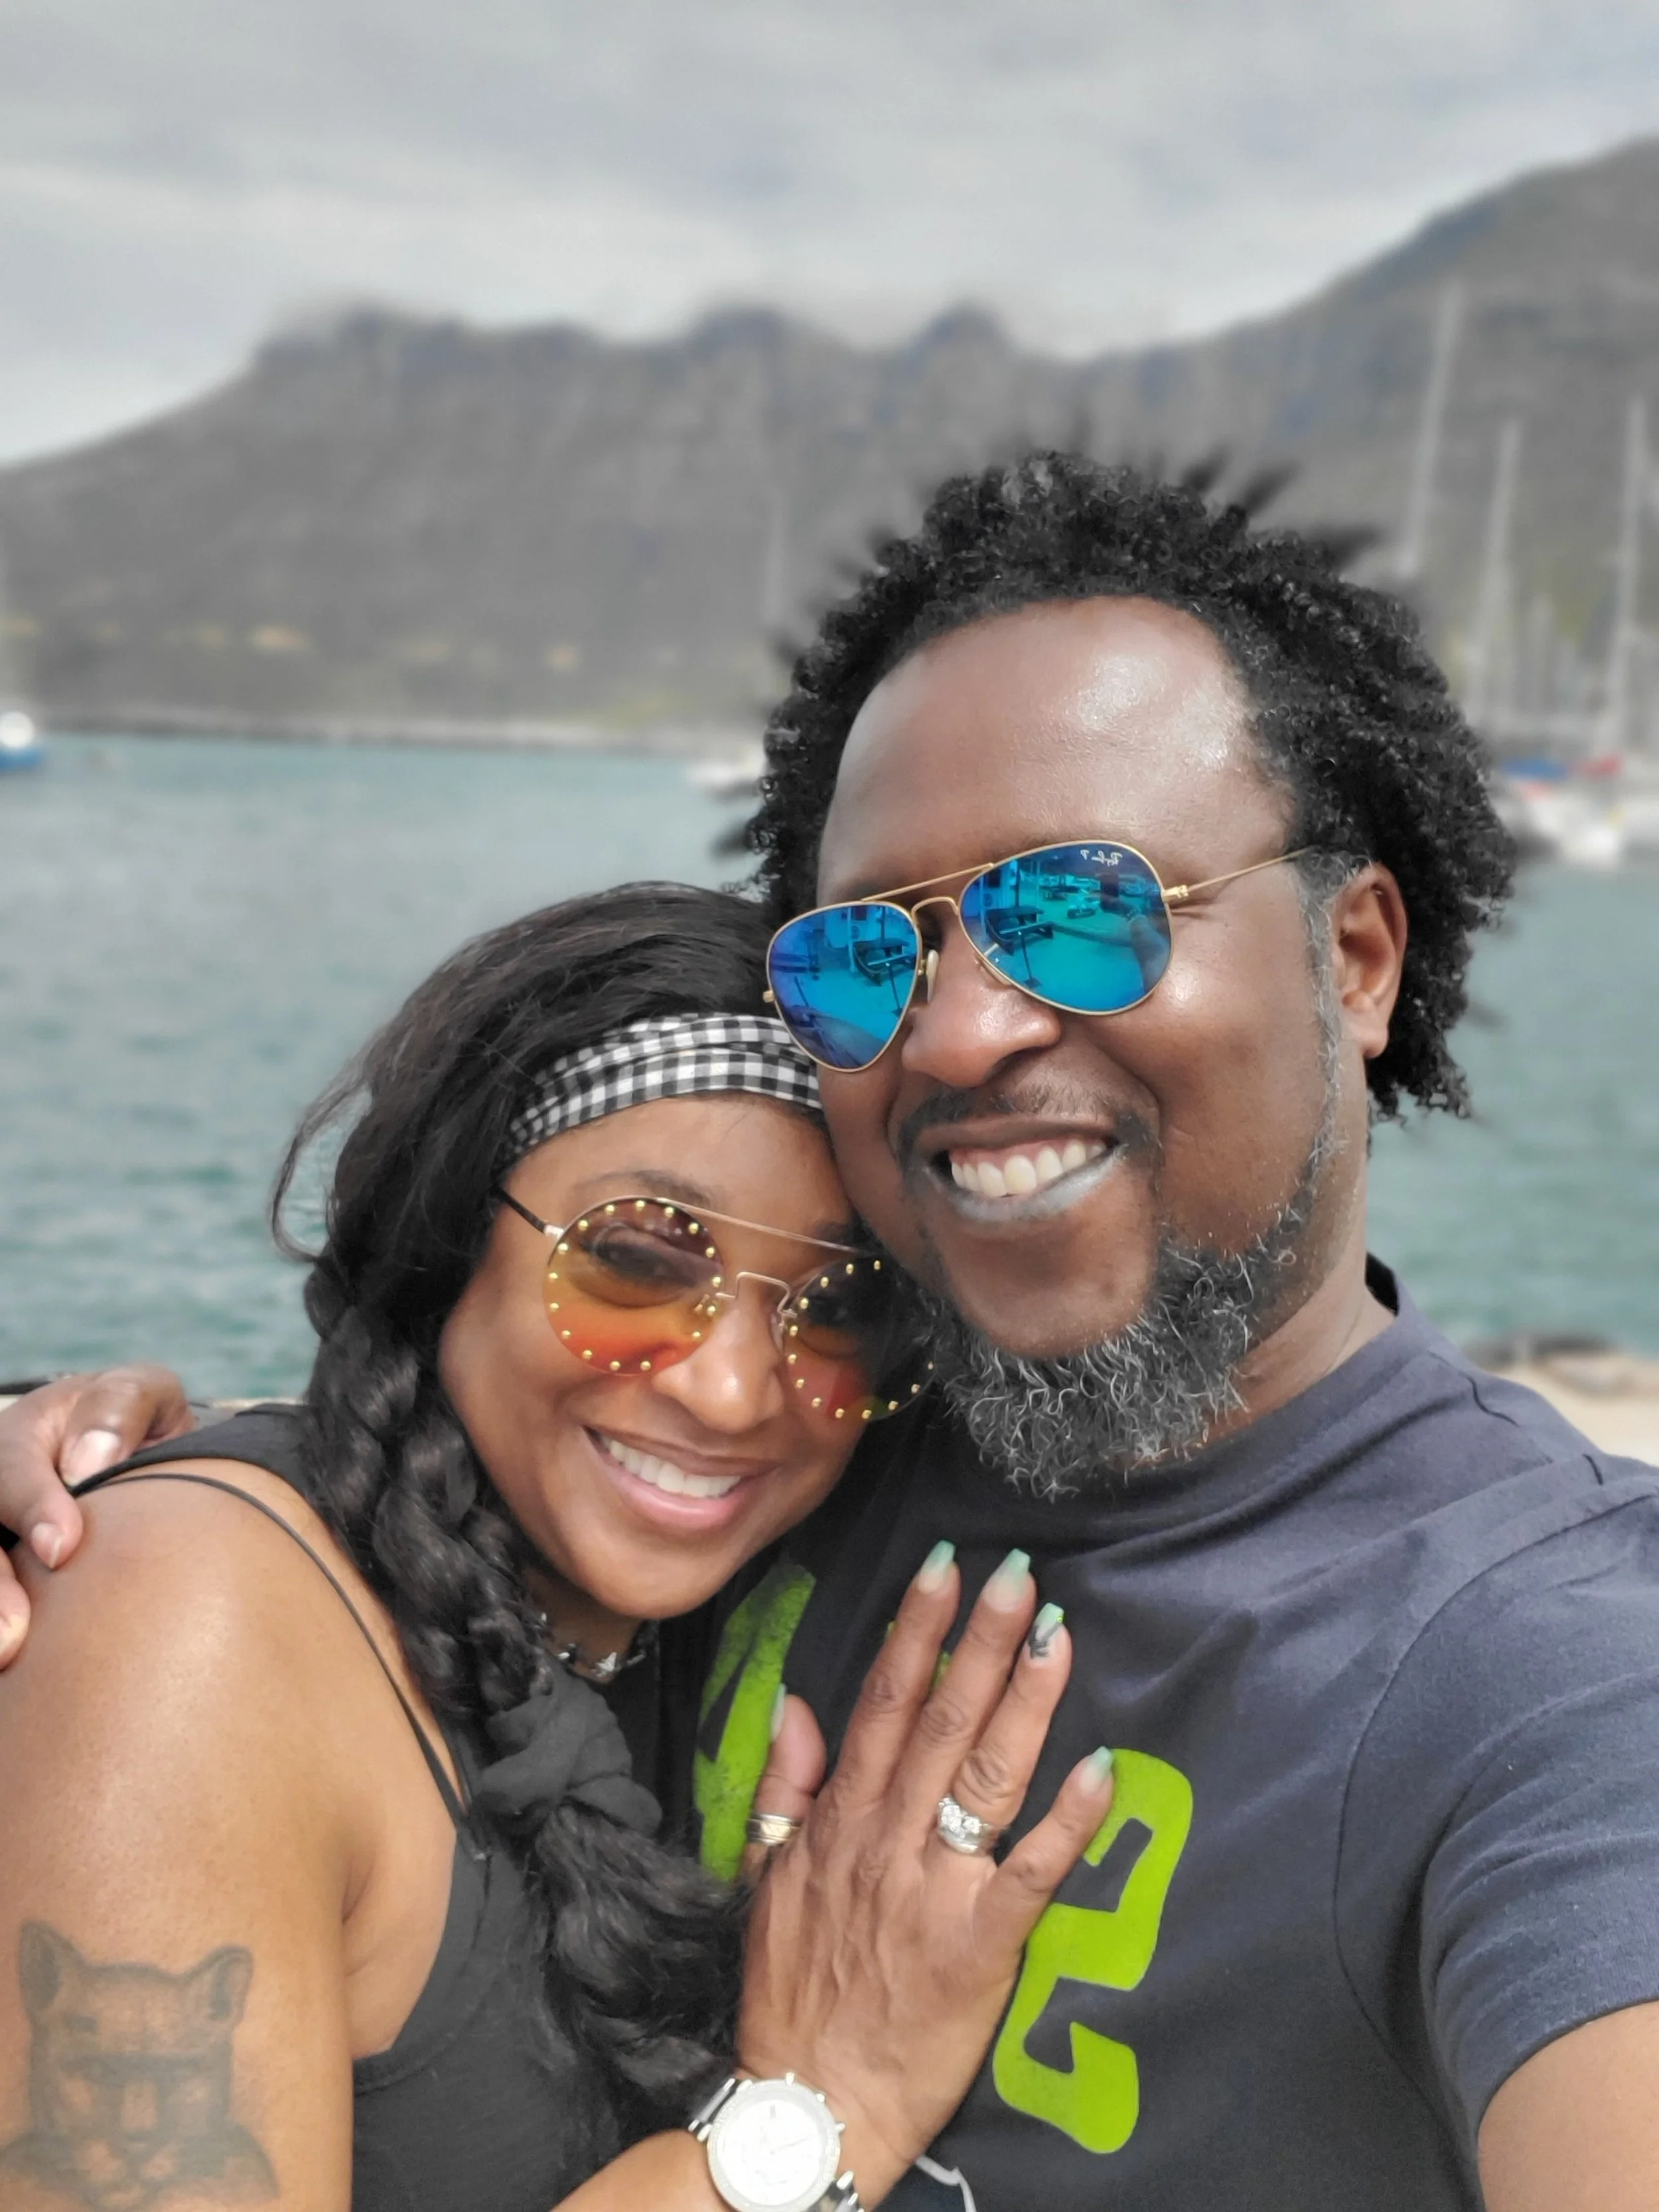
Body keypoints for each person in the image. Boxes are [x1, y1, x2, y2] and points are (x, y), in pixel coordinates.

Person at [5, 454, 1659, 2210]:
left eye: (1082, 910)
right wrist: (104, 1476)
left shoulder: (1547, 1666)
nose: (955, 1032)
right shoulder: (798, 1453)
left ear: (1356, 955)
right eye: (871, 954)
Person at [0, 879, 1114, 2212]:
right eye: (636, 1261)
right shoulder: (189, 1632)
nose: (731, 1390)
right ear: (451, 1232)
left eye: (841, 1307)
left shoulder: (689, 1611)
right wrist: (823, 2109)